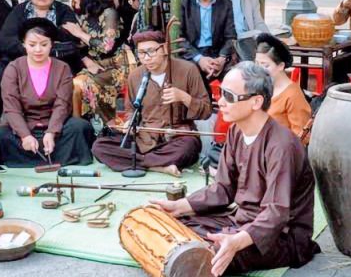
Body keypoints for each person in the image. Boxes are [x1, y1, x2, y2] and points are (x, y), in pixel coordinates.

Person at [151, 62, 320, 276]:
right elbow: (223, 189)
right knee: (176, 227)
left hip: (281, 235)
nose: (220, 102)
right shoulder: (235, 132)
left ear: (256, 101)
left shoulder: (282, 145)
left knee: (207, 254)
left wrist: (236, 241)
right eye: (221, 93)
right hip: (240, 220)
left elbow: (276, 213)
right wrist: (179, 206)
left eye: (229, 96)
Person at [93, 30, 212, 176]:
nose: (146, 58)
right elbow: (131, 110)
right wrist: (130, 123)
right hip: (144, 138)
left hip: (176, 138)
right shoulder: (135, 76)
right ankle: (157, 166)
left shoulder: (188, 70)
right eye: (141, 53)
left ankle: (139, 162)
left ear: (164, 49)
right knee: (99, 146)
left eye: (151, 51)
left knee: (189, 146)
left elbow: (206, 110)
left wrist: (184, 97)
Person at [0, 18, 95, 167]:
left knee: (81, 127)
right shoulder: (13, 68)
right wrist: (25, 136)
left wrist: (51, 132)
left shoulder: (62, 68)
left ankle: (31, 158)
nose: (38, 50)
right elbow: (11, 107)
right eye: (32, 45)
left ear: (52, 44)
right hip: (24, 127)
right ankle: (54, 156)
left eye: (44, 44)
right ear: (23, 44)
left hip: (56, 127)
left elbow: (62, 105)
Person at [0, 0, 79, 129]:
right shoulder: (19, 11)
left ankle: (61, 118)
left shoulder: (63, 11)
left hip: (54, 61)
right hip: (22, 58)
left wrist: (47, 49)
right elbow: (5, 40)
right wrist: (30, 52)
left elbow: (71, 39)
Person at [63, 0, 135, 122]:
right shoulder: (83, 15)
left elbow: (106, 46)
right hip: (93, 65)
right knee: (73, 86)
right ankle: (79, 127)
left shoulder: (109, 13)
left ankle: (104, 126)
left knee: (80, 85)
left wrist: (80, 34)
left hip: (117, 66)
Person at [180, 0, 236, 81]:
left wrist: (221, 58)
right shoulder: (184, 2)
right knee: (192, 73)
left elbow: (230, 36)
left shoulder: (226, 4)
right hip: (191, 53)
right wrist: (199, 58)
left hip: (216, 53)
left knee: (237, 74)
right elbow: (179, 38)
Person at [255, 34, 312, 146]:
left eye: (265, 65)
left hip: (281, 154)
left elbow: (301, 137)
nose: (259, 70)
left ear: (281, 66)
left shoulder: (293, 95)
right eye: (256, 64)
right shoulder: (260, 88)